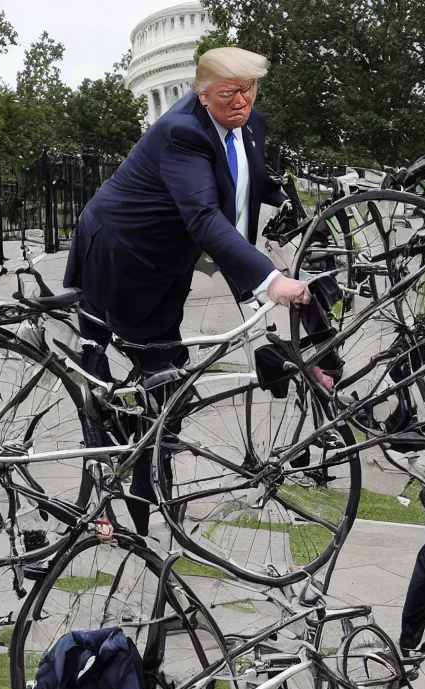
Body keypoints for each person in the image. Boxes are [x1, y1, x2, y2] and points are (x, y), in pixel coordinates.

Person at [63, 46, 310, 533]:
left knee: (165, 385)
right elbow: (202, 217)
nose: (243, 101)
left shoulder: (246, 122)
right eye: (229, 93)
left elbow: (246, 175)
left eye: (250, 90)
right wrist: (269, 279)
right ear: (201, 93)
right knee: (160, 382)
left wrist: (281, 197)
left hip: (162, 265)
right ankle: (136, 489)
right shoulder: (182, 133)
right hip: (122, 257)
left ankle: (144, 474)